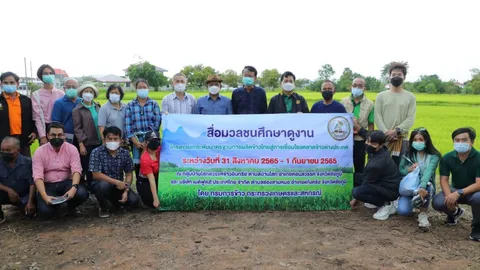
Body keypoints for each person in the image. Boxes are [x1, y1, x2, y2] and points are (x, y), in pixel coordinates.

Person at [432, 127, 480, 241]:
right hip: (456, 189)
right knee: (438, 202)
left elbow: (479, 184)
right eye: (457, 140)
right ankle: (454, 213)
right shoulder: (448, 158)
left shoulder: (479, 158)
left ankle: (477, 227)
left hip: (475, 192)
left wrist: (459, 193)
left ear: (472, 142)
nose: (460, 143)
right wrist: (449, 196)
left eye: (464, 140)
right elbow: (443, 179)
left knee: (479, 199)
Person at [32, 123, 88, 218]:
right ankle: (58, 207)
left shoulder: (72, 149)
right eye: (53, 135)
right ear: (48, 135)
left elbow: (76, 170)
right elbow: (37, 176)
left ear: (64, 135)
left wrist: (73, 188)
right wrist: (44, 195)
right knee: (45, 212)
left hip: (67, 183)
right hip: (48, 186)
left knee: (81, 193)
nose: (57, 137)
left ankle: (70, 207)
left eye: (60, 135)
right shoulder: (39, 152)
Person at [351, 131, 401, 221]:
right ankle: (376, 200)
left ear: (381, 145)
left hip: (389, 190)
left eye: (373, 143)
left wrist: (355, 199)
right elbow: (367, 134)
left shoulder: (377, 163)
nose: (368, 144)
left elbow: (366, 183)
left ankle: (386, 204)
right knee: (352, 177)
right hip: (381, 182)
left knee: (357, 192)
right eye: (367, 141)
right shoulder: (379, 150)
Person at [89, 126, 139, 218]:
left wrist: (126, 189)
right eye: (110, 138)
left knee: (134, 200)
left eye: (115, 139)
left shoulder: (125, 153)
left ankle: (114, 202)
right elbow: (96, 174)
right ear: (104, 139)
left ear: (120, 140)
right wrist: (116, 182)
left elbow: (129, 174)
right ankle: (103, 206)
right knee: (103, 186)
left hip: (118, 186)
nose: (112, 141)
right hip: (101, 184)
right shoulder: (96, 152)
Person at [397, 128, 441, 229]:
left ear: (426, 140)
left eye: (421, 139)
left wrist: (422, 187)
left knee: (427, 186)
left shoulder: (434, 156)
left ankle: (422, 213)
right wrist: (409, 169)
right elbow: (401, 170)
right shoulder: (408, 154)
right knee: (403, 211)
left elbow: (428, 172)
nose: (418, 142)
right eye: (415, 140)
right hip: (409, 187)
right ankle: (410, 200)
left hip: (424, 186)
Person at [374, 62, 416, 166]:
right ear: (389, 77)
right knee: (380, 167)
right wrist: (386, 133)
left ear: (404, 77)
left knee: (400, 168)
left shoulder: (410, 97)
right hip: (383, 139)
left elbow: (410, 118)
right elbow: (377, 116)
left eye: (399, 75)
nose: (396, 77)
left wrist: (396, 131)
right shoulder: (381, 96)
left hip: (401, 139)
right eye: (393, 75)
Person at [125, 79, 162, 178]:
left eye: (144, 87)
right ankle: (140, 186)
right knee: (138, 164)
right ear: (136, 89)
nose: (142, 89)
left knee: (152, 162)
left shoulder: (154, 104)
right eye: (139, 87)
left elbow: (157, 122)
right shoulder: (130, 105)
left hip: (151, 139)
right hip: (136, 141)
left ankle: (153, 186)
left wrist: (148, 140)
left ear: (148, 89)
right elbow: (128, 125)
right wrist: (136, 142)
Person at [340, 78, 374, 173]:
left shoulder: (370, 104)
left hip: (360, 140)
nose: (357, 88)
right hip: (345, 140)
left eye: (360, 86)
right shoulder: (343, 102)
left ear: (364, 88)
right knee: (344, 166)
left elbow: (371, 124)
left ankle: (358, 186)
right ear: (351, 86)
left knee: (359, 167)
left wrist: (370, 140)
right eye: (354, 85)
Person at [0, 72, 36, 157]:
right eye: (6, 82)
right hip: (3, 140)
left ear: (17, 84)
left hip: (23, 139)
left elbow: (33, 117)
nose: (9, 84)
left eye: (12, 82)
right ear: (1, 84)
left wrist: (34, 132)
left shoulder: (26, 100)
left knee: (25, 165)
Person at [0, 137, 36, 223]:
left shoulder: (28, 162)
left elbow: (32, 183)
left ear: (18, 150)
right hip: (6, 194)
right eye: (2, 150)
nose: (5, 153)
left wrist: (30, 202)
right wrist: (9, 190)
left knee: (29, 214)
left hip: (24, 196)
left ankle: (21, 207)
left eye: (8, 150)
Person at [72, 83, 102, 184]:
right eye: (86, 91)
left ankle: (95, 186)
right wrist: (81, 144)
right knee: (87, 166)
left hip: (99, 141)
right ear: (81, 93)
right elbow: (77, 128)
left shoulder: (97, 106)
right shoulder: (77, 109)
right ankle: (86, 187)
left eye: (91, 92)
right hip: (87, 143)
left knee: (97, 166)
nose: (88, 94)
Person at [32, 64, 65, 146]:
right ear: (41, 77)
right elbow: (37, 117)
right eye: (45, 74)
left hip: (59, 127)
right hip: (45, 127)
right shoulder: (36, 95)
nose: (49, 75)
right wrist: (42, 136)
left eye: (51, 73)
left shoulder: (61, 93)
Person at [52, 78, 81, 144]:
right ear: (64, 88)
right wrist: (62, 136)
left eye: (74, 87)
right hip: (66, 137)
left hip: (81, 136)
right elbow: (56, 123)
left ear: (78, 88)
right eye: (68, 87)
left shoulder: (82, 102)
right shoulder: (59, 103)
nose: (71, 89)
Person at [137, 131, 161, 209]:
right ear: (146, 142)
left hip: (157, 177)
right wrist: (155, 199)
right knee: (151, 202)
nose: (155, 142)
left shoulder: (161, 150)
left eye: (157, 140)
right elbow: (151, 180)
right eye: (152, 140)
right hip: (145, 181)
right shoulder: (145, 159)